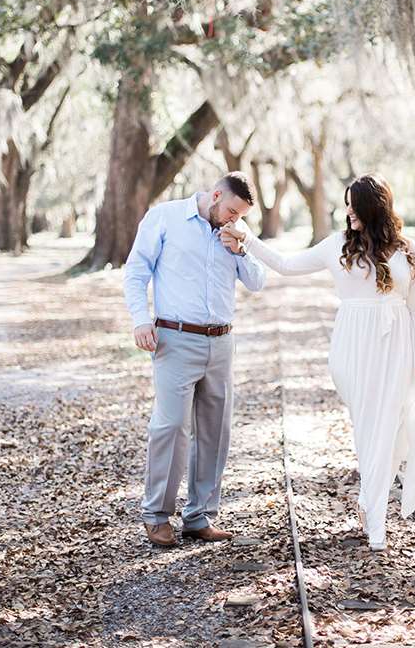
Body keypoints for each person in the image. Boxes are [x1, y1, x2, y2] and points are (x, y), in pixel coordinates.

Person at [221, 174, 415, 551]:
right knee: (370, 426)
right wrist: (247, 238)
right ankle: (375, 508)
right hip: (352, 346)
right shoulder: (337, 246)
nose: (347, 210)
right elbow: (286, 264)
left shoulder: (410, 251)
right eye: (346, 202)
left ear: (374, 207)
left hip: (396, 346)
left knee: (391, 427)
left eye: (354, 204)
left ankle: (373, 509)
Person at [123, 172, 266, 548]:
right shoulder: (164, 218)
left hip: (221, 343)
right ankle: (156, 516)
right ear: (216, 194)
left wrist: (241, 249)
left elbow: (257, 282)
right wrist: (140, 319)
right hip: (175, 338)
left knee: (215, 430)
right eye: (232, 211)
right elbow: (136, 271)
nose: (234, 219)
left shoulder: (236, 233)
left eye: (240, 215)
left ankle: (199, 516)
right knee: (170, 427)